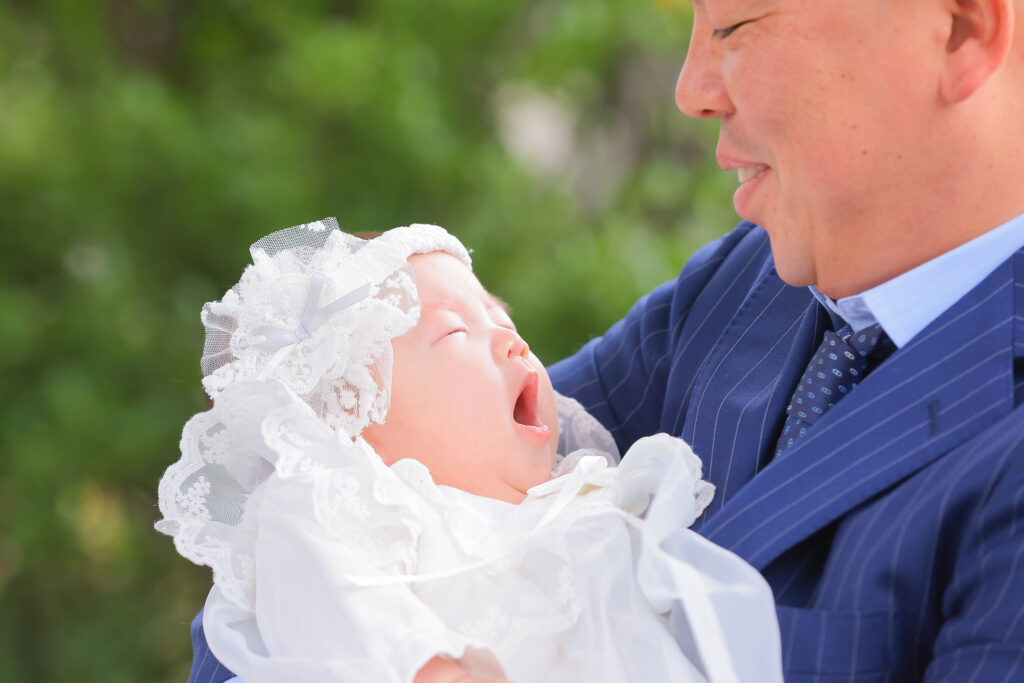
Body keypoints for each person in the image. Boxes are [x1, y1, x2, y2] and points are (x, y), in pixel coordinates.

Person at [187, 0, 1024, 679]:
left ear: (960, 29)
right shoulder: (745, 282)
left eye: (734, 26)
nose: (692, 88)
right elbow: (356, 470)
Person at [157, 221, 783, 683]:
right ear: (354, 422)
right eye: (457, 331)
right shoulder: (344, 500)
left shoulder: (591, 493)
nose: (512, 343)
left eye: (503, 319)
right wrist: (426, 665)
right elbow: (327, 595)